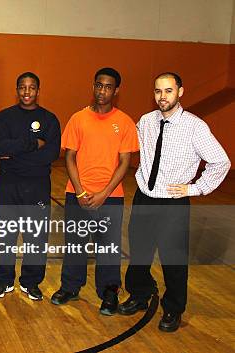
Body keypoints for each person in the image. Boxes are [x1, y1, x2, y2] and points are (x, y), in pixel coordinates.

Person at [119, 72, 230, 332]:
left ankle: (173, 308)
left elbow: (221, 161)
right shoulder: (145, 121)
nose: (162, 96)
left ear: (180, 91)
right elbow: (125, 143)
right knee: (140, 253)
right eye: (158, 91)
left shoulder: (195, 126)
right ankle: (139, 294)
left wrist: (196, 188)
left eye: (168, 91)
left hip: (173, 203)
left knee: (173, 259)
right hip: (144, 198)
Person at [52, 68, 139, 316]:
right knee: (75, 245)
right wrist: (80, 191)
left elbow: (124, 163)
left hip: (110, 197)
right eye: (99, 85)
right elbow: (69, 156)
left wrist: (103, 193)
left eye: (108, 87)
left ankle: (109, 292)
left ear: (116, 91)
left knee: (108, 248)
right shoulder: (78, 118)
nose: (102, 91)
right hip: (76, 194)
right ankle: (70, 286)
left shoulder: (124, 122)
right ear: (93, 86)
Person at [0, 72, 61, 300]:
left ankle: (31, 282)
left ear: (38, 91)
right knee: (5, 235)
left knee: (36, 237)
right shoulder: (4, 117)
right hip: (8, 186)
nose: (27, 92)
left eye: (31, 88)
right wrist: (32, 144)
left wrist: (16, 155)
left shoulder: (49, 120)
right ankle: (3, 279)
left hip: (38, 186)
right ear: (17, 89)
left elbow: (49, 154)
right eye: (22, 87)